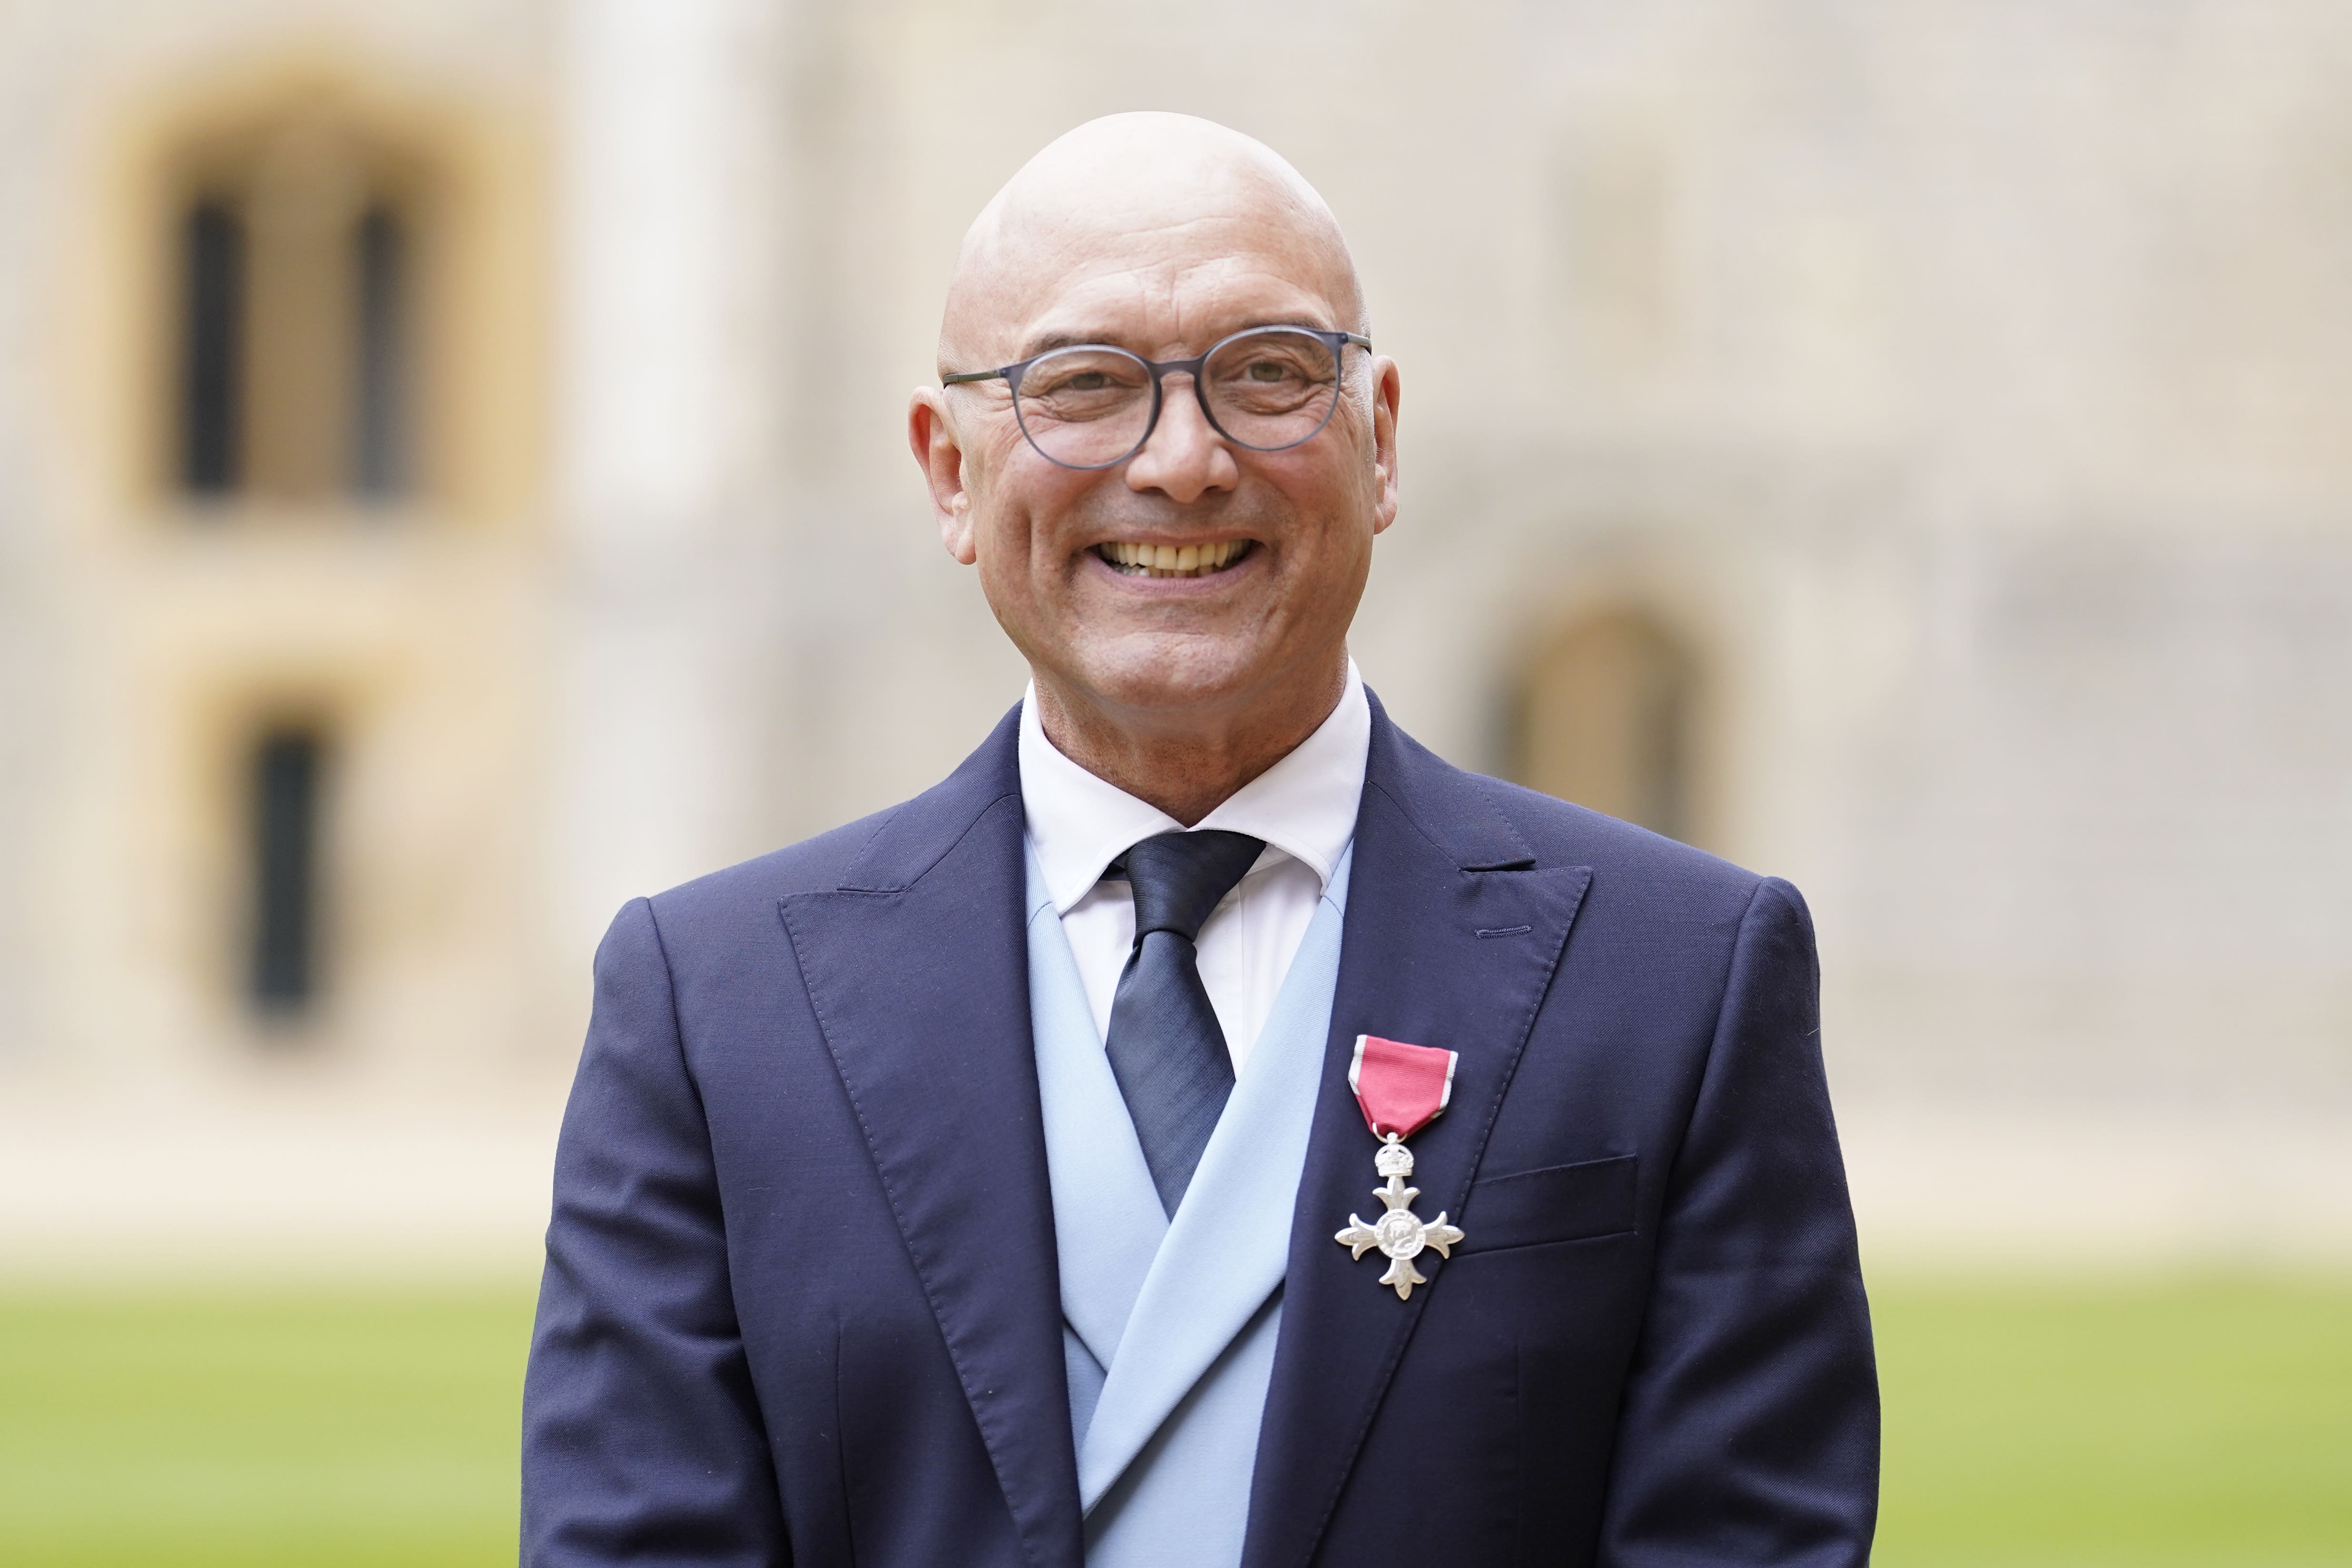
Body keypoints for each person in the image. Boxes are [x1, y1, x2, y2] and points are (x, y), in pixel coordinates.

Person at [521, 112, 1877, 1568]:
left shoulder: (1682, 979)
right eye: (1084, 386)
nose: (1182, 461)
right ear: (949, 474)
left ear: (1382, 443)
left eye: (1270, 374)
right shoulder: (712, 1008)